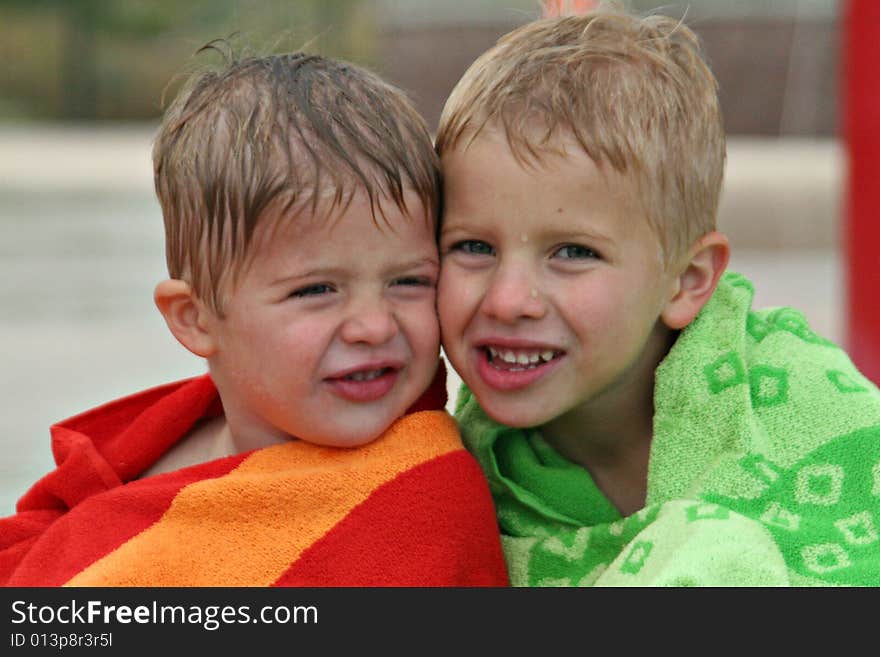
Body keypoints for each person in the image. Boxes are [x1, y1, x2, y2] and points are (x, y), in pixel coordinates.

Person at [0, 48, 509, 587]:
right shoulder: (137, 458)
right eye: (317, 290)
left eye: (409, 281)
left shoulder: (422, 502)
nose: (374, 326)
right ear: (195, 319)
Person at [434, 2, 880, 586]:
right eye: (472, 247)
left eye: (573, 253)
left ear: (688, 280)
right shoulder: (453, 482)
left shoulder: (818, 416)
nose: (507, 299)